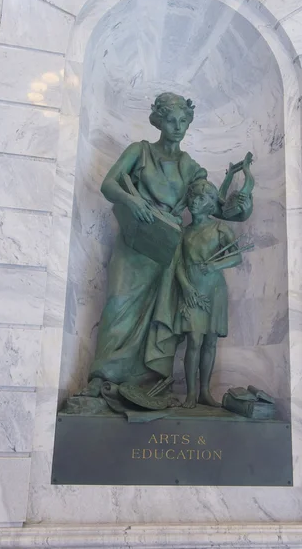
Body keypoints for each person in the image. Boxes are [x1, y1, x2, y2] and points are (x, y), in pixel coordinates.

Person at [84, 93, 252, 393]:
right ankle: (103, 376)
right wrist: (131, 200)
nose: (177, 127)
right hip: (135, 243)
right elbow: (109, 184)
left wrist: (243, 203)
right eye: (171, 120)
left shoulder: (190, 167)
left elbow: (215, 207)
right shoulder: (141, 151)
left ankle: (142, 382)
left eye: (183, 121)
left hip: (166, 249)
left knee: (157, 319)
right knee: (118, 303)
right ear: (159, 121)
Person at [175, 179, 242, 408]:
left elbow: (237, 256)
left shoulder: (220, 228)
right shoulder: (183, 232)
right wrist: (185, 287)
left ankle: (205, 391)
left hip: (214, 288)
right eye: (192, 197)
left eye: (201, 198)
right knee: (193, 339)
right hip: (193, 288)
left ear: (210, 203)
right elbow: (177, 264)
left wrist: (214, 266)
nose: (194, 201)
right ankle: (191, 393)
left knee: (210, 341)